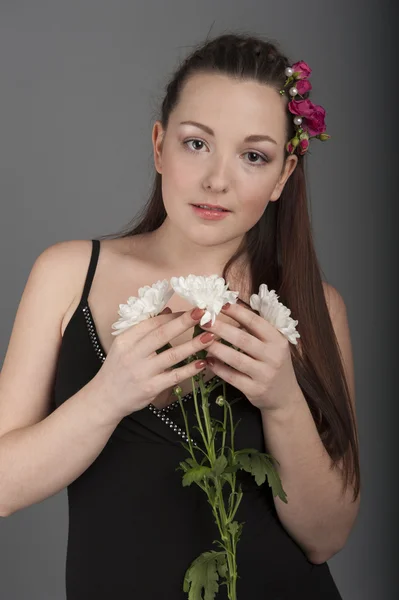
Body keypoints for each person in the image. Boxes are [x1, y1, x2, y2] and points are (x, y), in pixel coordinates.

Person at [0, 32, 360, 599]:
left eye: (253, 156)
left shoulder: (316, 307)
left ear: (282, 178)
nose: (218, 179)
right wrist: (109, 393)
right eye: (197, 144)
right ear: (159, 146)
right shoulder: (68, 274)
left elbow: (327, 536)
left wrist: (284, 400)